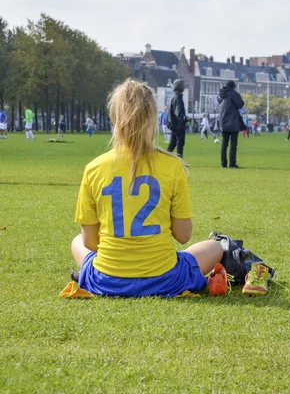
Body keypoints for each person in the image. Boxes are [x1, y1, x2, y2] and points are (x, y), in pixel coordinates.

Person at [71, 79, 224, 297]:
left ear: (114, 117)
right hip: (165, 280)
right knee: (216, 247)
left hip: (107, 281)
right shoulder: (172, 165)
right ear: (152, 118)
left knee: (76, 241)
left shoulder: (94, 168)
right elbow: (183, 236)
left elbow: (90, 242)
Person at [218, 80, 244, 168]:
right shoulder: (234, 94)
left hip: (223, 122)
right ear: (233, 87)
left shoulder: (221, 94)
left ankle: (223, 163)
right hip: (233, 122)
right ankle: (232, 163)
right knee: (233, 144)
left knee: (224, 144)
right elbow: (240, 104)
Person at [167, 79, 188, 158]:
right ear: (178, 87)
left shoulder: (174, 97)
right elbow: (179, 114)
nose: (184, 86)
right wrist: (186, 118)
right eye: (182, 85)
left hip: (174, 125)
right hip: (178, 126)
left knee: (172, 144)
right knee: (180, 144)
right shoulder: (177, 98)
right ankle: (180, 162)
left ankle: (166, 160)